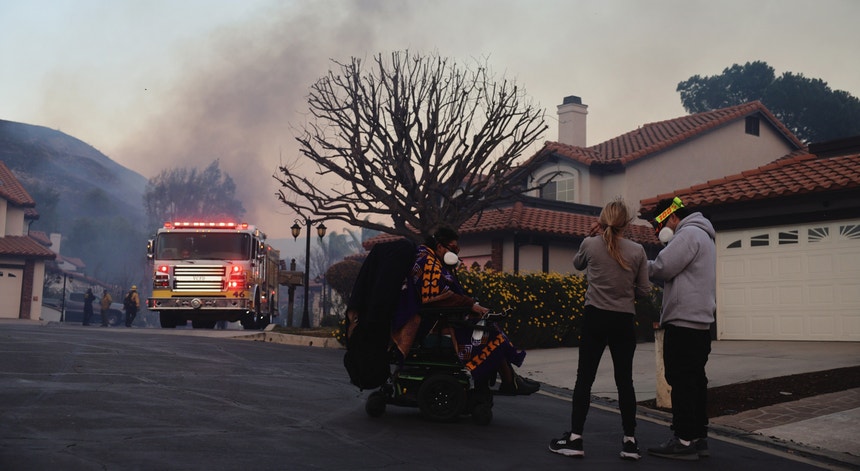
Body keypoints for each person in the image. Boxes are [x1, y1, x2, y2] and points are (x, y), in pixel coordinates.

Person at [549, 199, 650, 460]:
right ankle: (629, 442)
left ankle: (575, 439)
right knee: (624, 381)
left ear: (602, 220)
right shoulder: (638, 251)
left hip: (595, 317)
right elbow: (644, 291)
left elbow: (577, 264)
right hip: (623, 320)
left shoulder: (590, 244)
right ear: (627, 223)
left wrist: (591, 234)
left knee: (585, 378)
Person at [394, 226, 539, 396]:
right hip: (430, 324)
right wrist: (470, 305)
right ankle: (509, 381)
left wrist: (470, 305)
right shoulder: (428, 262)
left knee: (488, 328)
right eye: (453, 248)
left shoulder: (431, 259)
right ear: (440, 247)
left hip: (439, 318)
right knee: (487, 333)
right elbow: (433, 297)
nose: (456, 253)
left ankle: (510, 380)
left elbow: (446, 294)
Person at [644, 196, 716, 461]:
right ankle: (698, 438)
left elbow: (663, 267)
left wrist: (637, 264)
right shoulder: (705, 236)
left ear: (673, 218)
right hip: (700, 322)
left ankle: (683, 440)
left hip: (683, 321)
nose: (662, 232)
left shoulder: (687, 235)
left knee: (682, 380)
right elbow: (679, 276)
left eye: (662, 224)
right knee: (696, 380)